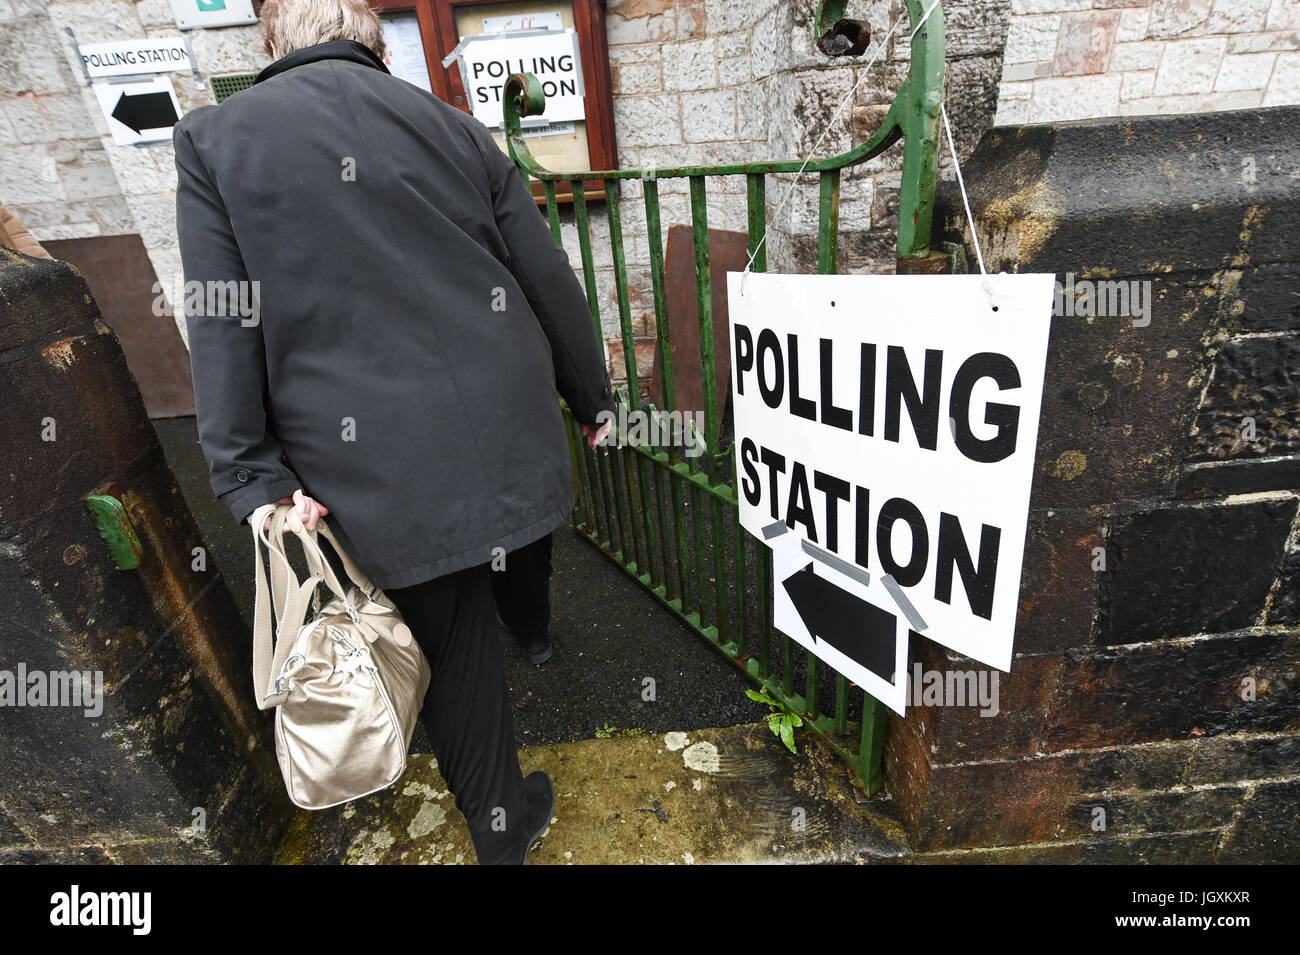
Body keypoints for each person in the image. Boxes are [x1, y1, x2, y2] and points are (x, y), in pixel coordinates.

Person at [173, 0, 614, 864]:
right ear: (373, 37)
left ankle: (501, 826)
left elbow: (221, 315)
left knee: (452, 642)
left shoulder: (215, 140)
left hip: (367, 449)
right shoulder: (453, 126)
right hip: (502, 402)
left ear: (273, 39)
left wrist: (247, 472)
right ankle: (535, 631)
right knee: (516, 527)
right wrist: (591, 394)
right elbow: (546, 273)